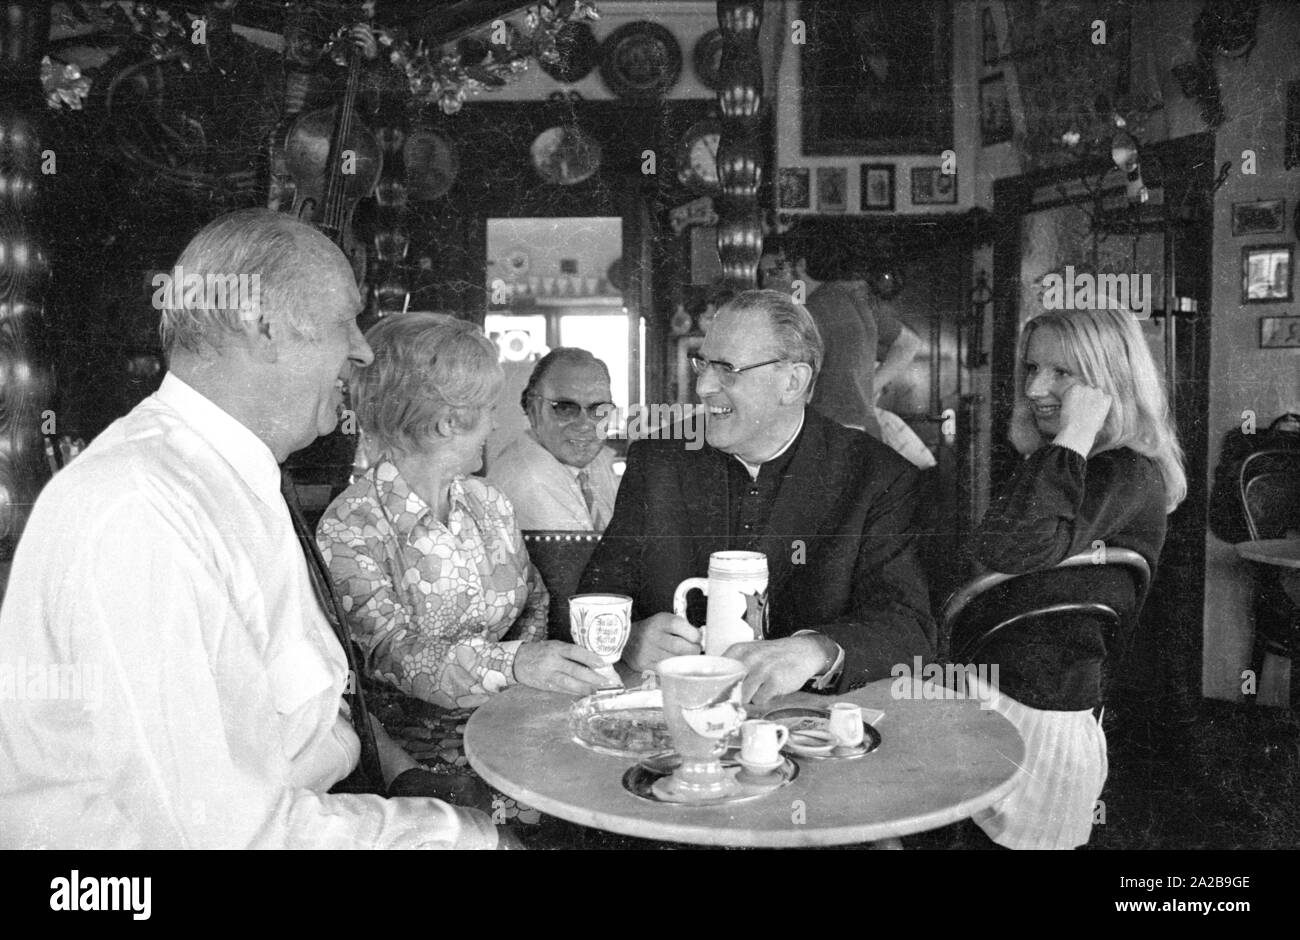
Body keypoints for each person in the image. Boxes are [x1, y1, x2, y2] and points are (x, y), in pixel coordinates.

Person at [0, 209, 504, 848]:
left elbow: (311, 719)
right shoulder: (142, 509)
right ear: (262, 328)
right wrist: (462, 836)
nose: (363, 348)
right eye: (342, 321)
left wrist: (405, 783)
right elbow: (218, 835)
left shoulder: (229, 477)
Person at [579, 289, 934, 704]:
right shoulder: (658, 461)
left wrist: (814, 651)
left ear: (792, 382)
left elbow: (910, 630)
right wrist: (628, 638)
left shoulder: (876, 477)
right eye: (704, 364)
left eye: (728, 369)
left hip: (814, 727)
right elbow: (596, 594)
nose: (704, 386)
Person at [316, 314, 607, 821]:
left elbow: (532, 604)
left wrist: (528, 678)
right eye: (488, 410)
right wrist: (513, 665)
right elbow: (391, 655)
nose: (495, 425)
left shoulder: (488, 502)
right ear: (447, 422)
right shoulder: (351, 525)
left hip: (514, 730)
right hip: (423, 769)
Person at [968, 304, 1187, 850]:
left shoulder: (1124, 471)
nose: (1036, 387)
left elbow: (1009, 546)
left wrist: (1074, 435)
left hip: (1039, 721)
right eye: (1031, 369)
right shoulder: (1078, 468)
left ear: (1108, 384)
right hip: (998, 697)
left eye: (1061, 373)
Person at [758, 235, 923, 441]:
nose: (766, 281)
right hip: (864, 427)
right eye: (762, 274)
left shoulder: (810, 311)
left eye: (774, 271)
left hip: (828, 428)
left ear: (799, 265)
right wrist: (872, 386)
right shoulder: (854, 295)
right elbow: (909, 343)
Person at [488, 347, 621, 531]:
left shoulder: (590, 462)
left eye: (599, 410)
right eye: (565, 409)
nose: (584, 424)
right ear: (534, 411)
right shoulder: (530, 481)